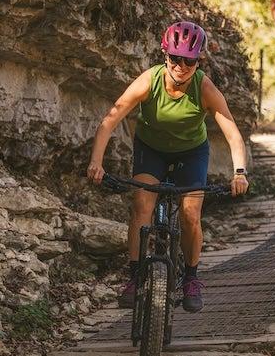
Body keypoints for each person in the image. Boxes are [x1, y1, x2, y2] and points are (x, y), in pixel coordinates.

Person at [86, 21, 249, 313]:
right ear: (165, 55)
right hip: (151, 149)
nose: (181, 66)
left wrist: (239, 172)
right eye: (176, 58)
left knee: (190, 214)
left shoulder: (204, 87)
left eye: (189, 61)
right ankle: (135, 276)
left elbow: (233, 133)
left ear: (198, 62)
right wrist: (96, 162)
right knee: (141, 205)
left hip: (192, 152)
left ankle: (191, 278)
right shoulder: (149, 81)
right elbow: (110, 120)